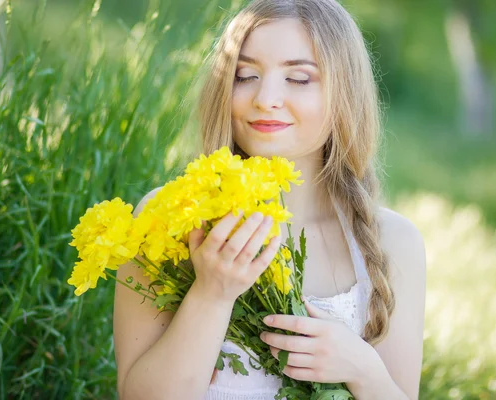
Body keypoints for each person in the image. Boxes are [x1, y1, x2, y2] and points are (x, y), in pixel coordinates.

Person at [113, 0, 426, 399]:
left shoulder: (393, 241)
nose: (265, 98)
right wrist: (212, 293)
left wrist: (363, 369)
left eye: (298, 78)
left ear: (344, 94)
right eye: (245, 75)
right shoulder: (167, 218)